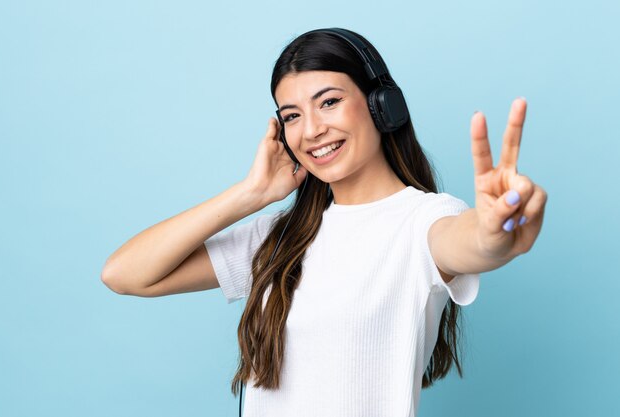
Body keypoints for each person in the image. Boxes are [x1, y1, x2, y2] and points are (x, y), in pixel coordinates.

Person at [101, 28, 547, 417]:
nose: (311, 130)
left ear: (382, 107)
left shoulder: (423, 220)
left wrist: (496, 234)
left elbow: (468, 243)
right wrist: (249, 195)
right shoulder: (278, 238)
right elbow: (124, 274)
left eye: (329, 102)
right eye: (292, 115)